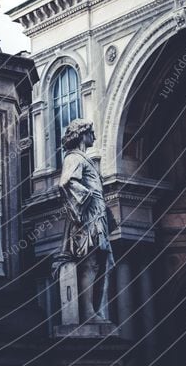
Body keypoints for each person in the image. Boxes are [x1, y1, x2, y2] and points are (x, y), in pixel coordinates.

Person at [57, 119, 114, 322]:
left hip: (96, 215)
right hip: (89, 217)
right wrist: (87, 198)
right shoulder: (74, 158)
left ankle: (93, 309)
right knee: (89, 263)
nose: (95, 137)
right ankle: (88, 312)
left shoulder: (83, 158)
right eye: (91, 133)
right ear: (82, 134)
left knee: (97, 264)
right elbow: (66, 182)